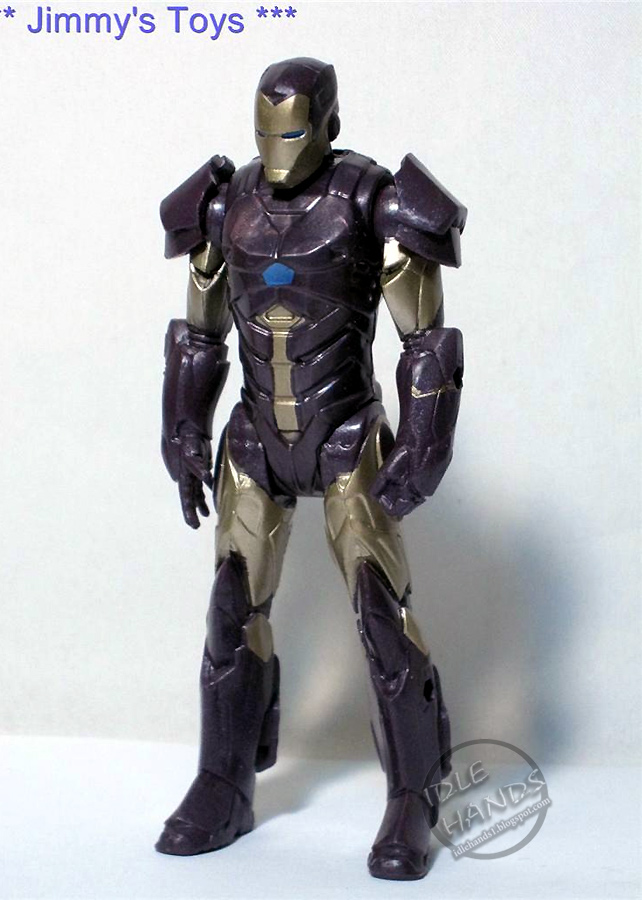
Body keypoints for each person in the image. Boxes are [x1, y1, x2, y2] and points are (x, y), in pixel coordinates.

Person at [155, 57, 466, 881]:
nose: (279, 150)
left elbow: (428, 342)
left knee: (381, 610)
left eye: (293, 131)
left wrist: (424, 443)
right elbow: (198, 334)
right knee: (231, 606)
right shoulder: (223, 204)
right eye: (267, 132)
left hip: (345, 435)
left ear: (328, 124)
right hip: (255, 436)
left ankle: (413, 796)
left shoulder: (372, 200)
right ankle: (223, 783)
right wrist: (183, 429)